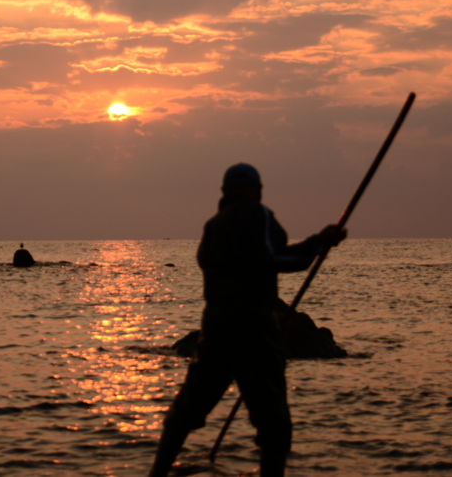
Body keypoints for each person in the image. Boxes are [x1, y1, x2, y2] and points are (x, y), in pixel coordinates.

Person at [148, 162, 347, 477]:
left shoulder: (212, 226)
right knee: (273, 423)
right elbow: (276, 259)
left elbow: (228, 269)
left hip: (214, 328)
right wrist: (321, 242)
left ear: (224, 192)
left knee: (186, 411)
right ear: (257, 191)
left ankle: (156, 473)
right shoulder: (260, 215)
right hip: (253, 328)